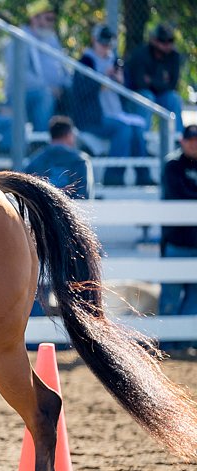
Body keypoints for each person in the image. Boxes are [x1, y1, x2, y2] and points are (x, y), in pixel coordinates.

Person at [72, 24, 150, 186]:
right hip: (93, 120)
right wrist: (101, 80)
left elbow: (130, 90)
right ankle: (113, 176)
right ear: (94, 40)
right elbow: (79, 92)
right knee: (123, 129)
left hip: (118, 114)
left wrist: (122, 82)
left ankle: (143, 175)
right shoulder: (85, 62)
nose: (106, 47)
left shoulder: (115, 61)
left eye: (109, 44)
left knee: (136, 129)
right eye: (102, 43)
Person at [158, 124, 197, 350]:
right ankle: (168, 346)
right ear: (182, 141)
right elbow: (179, 193)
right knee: (170, 298)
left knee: (194, 298)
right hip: (177, 243)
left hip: (192, 242)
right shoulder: (173, 165)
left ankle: (182, 345)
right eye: (190, 139)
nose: (194, 143)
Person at [4, 0, 70, 132]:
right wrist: (47, 88)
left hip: (54, 93)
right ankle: (40, 142)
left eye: (53, 19)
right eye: (48, 18)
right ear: (34, 18)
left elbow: (63, 69)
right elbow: (20, 74)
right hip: (24, 95)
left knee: (74, 92)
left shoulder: (52, 40)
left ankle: (68, 143)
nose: (51, 23)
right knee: (44, 95)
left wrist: (66, 85)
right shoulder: (19, 39)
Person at [125, 23, 183, 133]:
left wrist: (151, 80)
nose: (167, 45)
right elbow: (140, 83)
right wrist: (161, 82)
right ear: (154, 40)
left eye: (170, 41)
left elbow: (172, 85)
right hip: (138, 97)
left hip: (162, 95)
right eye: (163, 41)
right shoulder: (141, 54)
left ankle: (177, 138)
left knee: (173, 98)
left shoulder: (174, 57)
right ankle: (144, 138)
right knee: (147, 96)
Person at [24, 116, 94, 199]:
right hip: (72, 209)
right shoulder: (81, 160)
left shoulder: (35, 161)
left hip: (43, 209)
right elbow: (85, 196)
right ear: (69, 134)